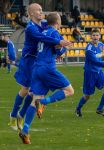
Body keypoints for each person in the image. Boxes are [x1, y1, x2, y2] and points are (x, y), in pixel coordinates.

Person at [9, 3, 72, 131]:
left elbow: (52, 32)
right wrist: (59, 42)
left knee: (34, 93)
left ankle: (21, 116)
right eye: (38, 10)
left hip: (38, 60)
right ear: (31, 13)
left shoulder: (43, 24)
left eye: (41, 10)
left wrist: (60, 47)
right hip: (28, 61)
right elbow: (42, 37)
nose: (41, 12)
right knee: (25, 90)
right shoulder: (30, 28)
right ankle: (14, 115)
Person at [19, 12, 74, 144]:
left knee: (36, 99)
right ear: (58, 22)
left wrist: (60, 49)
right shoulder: (55, 33)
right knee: (69, 90)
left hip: (37, 68)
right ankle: (44, 103)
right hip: (47, 68)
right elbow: (58, 50)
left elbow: (52, 50)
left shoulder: (44, 32)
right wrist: (65, 48)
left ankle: (25, 130)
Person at [75, 29, 104, 117]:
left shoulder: (101, 45)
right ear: (91, 37)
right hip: (90, 73)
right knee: (87, 96)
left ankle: (99, 109)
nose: (95, 37)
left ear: (99, 36)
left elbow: (99, 60)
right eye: (94, 35)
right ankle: (78, 108)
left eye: (97, 35)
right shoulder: (89, 50)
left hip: (99, 72)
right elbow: (97, 63)